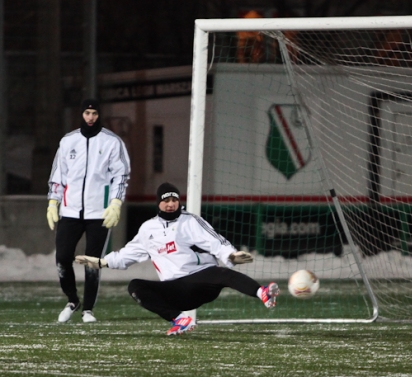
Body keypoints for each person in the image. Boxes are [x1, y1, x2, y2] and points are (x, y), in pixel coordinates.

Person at [74, 182, 280, 336]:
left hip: (201, 280)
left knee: (223, 273)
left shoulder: (190, 221)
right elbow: (129, 253)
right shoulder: (148, 229)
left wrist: (231, 255)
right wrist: (102, 262)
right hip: (176, 289)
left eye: (174, 200)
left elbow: (213, 241)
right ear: (159, 203)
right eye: (166, 200)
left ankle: (262, 293)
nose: (171, 204)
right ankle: (180, 319)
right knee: (136, 286)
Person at [47, 98, 131, 324]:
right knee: (62, 257)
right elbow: (58, 175)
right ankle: (72, 300)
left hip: (99, 213)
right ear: (81, 114)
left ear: (99, 115)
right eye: (87, 113)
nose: (91, 117)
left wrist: (115, 203)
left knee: (93, 262)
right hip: (71, 212)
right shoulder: (68, 141)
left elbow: (121, 176)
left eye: (94, 113)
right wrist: (53, 202)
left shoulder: (112, 142)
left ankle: (88, 310)